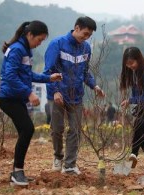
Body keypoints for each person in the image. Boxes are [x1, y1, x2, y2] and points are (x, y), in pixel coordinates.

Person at [0, 21, 62, 186]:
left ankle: (17, 172)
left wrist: (48, 78)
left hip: (16, 98)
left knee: (25, 131)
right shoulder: (18, 50)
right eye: (39, 39)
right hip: (8, 98)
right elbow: (10, 76)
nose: (39, 43)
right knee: (28, 129)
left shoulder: (25, 50)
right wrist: (29, 92)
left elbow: (27, 75)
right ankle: (17, 172)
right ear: (30, 35)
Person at [43, 16, 105, 175]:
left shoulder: (86, 48)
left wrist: (94, 86)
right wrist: (55, 90)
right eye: (84, 34)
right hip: (58, 94)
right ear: (76, 28)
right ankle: (58, 157)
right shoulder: (57, 44)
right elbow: (49, 71)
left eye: (89, 36)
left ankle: (70, 164)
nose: (86, 38)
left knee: (75, 130)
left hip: (76, 95)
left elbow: (85, 73)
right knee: (57, 129)